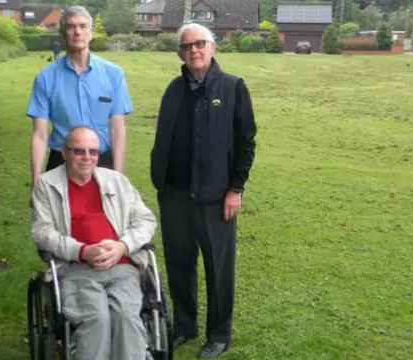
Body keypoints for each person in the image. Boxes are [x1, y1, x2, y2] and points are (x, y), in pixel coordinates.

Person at [149, 23, 257, 358]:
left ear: (213, 47)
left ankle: (219, 334)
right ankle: (184, 326)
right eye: (186, 46)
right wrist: (161, 183)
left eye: (199, 44)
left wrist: (235, 188)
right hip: (175, 195)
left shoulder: (232, 87)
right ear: (180, 53)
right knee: (180, 264)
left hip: (215, 197)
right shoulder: (173, 90)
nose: (193, 50)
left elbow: (245, 142)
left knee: (218, 268)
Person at [31, 126, 157, 360]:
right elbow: (42, 232)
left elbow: (146, 220)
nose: (88, 157)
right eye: (79, 151)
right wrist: (82, 251)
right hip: (77, 269)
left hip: (122, 267)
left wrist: (123, 246)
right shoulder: (47, 186)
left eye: (93, 152)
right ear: (64, 152)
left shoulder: (116, 181)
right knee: (95, 317)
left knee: (126, 316)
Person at [27, 5, 133, 191]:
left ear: (91, 33)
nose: (77, 32)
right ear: (62, 34)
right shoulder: (45, 78)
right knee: (59, 220)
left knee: (103, 219)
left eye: (83, 26)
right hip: (61, 163)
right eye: (71, 26)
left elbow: (117, 130)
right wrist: (36, 182)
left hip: (102, 161)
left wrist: (118, 177)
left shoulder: (113, 75)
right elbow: (40, 134)